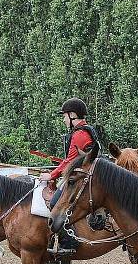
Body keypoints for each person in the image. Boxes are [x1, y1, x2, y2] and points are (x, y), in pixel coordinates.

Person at [41, 98, 97, 255]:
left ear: (72, 115)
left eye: (64, 116)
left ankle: (68, 242)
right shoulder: (85, 130)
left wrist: (51, 175)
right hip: (84, 173)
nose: (64, 120)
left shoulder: (79, 134)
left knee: (55, 202)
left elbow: (70, 161)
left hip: (80, 177)